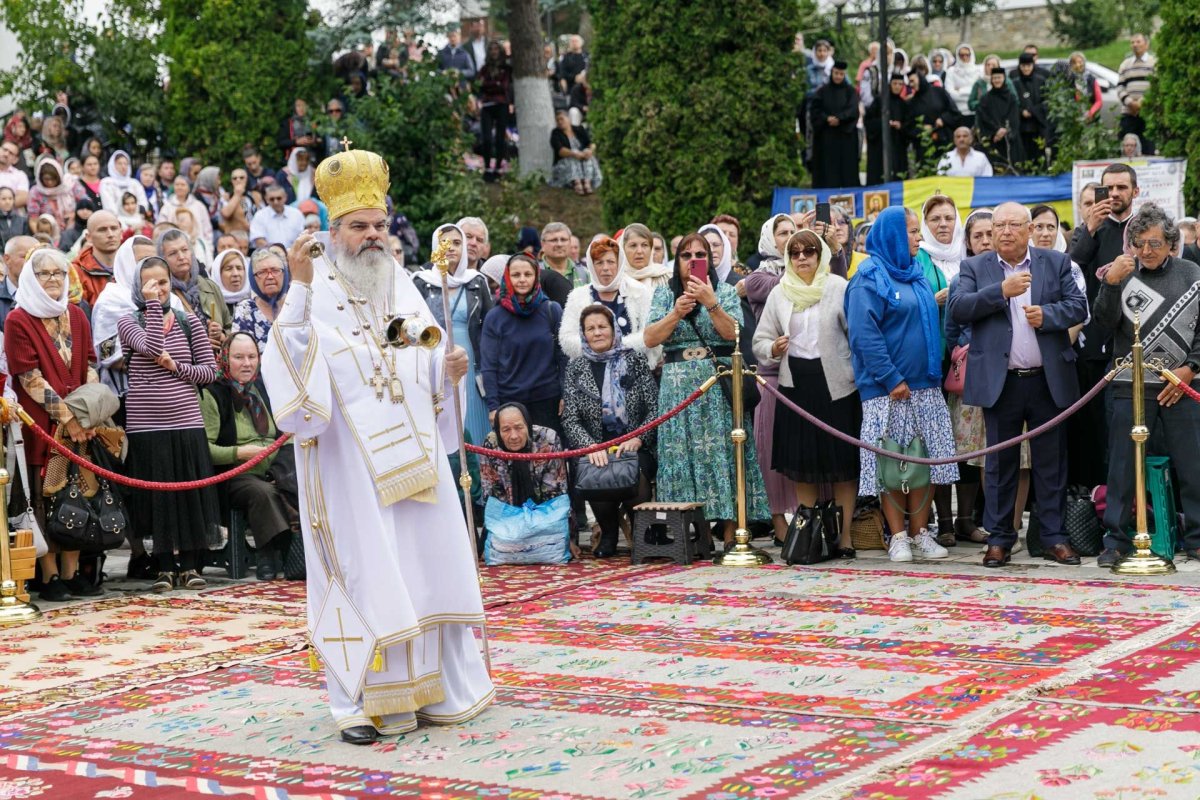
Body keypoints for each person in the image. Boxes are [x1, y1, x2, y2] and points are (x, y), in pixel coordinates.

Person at [261, 146, 493, 743]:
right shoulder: (313, 288)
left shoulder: (399, 281)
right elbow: (289, 360)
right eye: (359, 226)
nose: (372, 236)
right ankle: (357, 703)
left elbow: (418, 348)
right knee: (363, 570)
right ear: (333, 230)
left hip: (412, 457)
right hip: (347, 461)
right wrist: (298, 288)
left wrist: (444, 368)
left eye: (379, 225)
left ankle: (433, 690)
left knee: (420, 567)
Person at [949, 202, 1088, 568]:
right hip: (1002, 382)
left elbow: (1079, 307)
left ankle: (1054, 537)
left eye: (1013, 225)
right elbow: (958, 308)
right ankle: (999, 539)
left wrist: (1049, 315)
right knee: (999, 465)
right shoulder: (975, 267)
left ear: (1029, 229)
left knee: (1051, 463)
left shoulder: (1055, 262)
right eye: (999, 226)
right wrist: (1001, 291)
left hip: (1046, 380)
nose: (1005, 232)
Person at [846, 207, 959, 563]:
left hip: (925, 386)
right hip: (889, 390)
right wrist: (891, 377)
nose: (919, 238)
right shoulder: (868, 278)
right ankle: (897, 536)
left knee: (924, 462)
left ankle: (920, 533)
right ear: (893, 235)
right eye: (912, 231)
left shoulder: (917, 274)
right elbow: (864, 335)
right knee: (892, 465)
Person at [643, 233, 769, 548]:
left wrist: (711, 303)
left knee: (723, 453)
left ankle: (729, 532)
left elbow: (735, 334)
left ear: (709, 260)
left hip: (718, 385)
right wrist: (676, 312)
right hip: (677, 388)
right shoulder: (664, 294)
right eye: (686, 255)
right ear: (677, 261)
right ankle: (692, 534)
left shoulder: (724, 291)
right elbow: (650, 338)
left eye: (700, 255)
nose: (693, 260)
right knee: (680, 454)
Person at [1093, 203, 1200, 565]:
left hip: (1181, 385)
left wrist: (1190, 369)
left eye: (1155, 244)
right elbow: (1103, 323)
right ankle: (1116, 541)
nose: (1147, 251)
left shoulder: (1191, 273)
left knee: (1192, 463)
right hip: (1130, 383)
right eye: (1139, 243)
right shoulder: (1121, 272)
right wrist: (1110, 284)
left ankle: (1196, 537)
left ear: (1171, 244)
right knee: (1122, 465)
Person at [4, 248, 103, 601]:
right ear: (31, 278)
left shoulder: (76, 314)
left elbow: (90, 365)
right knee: (44, 499)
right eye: (44, 273)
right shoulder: (18, 319)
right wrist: (69, 418)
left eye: (58, 273)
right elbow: (29, 378)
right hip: (41, 426)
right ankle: (49, 576)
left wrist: (87, 414)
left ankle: (72, 572)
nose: (52, 279)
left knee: (77, 493)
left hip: (81, 423)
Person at [118, 255, 221, 591]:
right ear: (138, 286)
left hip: (186, 421)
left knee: (188, 495)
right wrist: (151, 305)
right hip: (147, 426)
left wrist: (177, 368)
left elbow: (209, 372)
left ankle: (190, 566)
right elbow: (152, 346)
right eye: (149, 283)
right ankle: (163, 566)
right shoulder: (128, 322)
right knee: (158, 498)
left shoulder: (189, 322)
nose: (157, 289)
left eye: (162, 282)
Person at [753, 229, 858, 556]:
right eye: (794, 252)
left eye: (809, 251)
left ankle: (844, 538)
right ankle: (810, 537)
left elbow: (857, 335)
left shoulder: (839, 287)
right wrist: (773, 347)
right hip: (795, 385)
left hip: (837, 386)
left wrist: (854, 370)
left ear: (820, 254)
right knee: (803, 465)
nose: (801, 258)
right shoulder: (779, 292)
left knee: (843, 464)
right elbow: (759, 342)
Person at [561, 305, 657, 557]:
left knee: (635, 474)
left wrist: (639, 438)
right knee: (597, 471)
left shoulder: (635, 360)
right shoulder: (575, 368)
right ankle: (609, 533)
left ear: (614, 329)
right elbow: (570, 418)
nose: (597, 333)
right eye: (590, 328)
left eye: (602, 326)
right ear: (583, 334)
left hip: (635, 445)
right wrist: (590, 446)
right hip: (597, 447)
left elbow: (655, 408)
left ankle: (643, 533)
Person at [201, 331, 296, 581]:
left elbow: (286, 432)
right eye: (239, 357)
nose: (247, 364)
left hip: (274, 468)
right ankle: (270, 554)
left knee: (298, 484)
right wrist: (241, 452)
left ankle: (303, 552)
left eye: (252, 357)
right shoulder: (212, 393)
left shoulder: (264, 388)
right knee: (262, 492)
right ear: (225, 359)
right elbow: (205, 449)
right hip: (233, 475)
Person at [1069, 163, 1139, 487]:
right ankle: (1098, 496)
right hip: (1096, 344)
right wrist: (1091, 228)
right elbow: (1072, 268)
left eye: (1121, 187)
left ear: (1135, 191)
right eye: (1108, 188)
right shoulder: (1088, 231)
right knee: (1097, 426)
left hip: (1137, 341)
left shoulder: (1144, 231)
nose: (1113, 194)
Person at [743, 213, 799, 543]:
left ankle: (808, 517)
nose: (789, 237)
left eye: (795, 232)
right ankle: (778, 520)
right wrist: (810, 261)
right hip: (772, 377)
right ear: (769, 239)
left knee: (803, 452)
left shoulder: (811, 272)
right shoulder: (757, 279)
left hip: (806, 372)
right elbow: (787, 286)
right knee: (772, 453)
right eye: (783, 233)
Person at [412, 223, 493, 447]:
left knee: (474, 423)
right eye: (444, 242)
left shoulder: (476, 281)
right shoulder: (421, 281)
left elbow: (490, 326)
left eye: (457, 243)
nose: (451, 248)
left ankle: (477, 469)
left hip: (472, 362)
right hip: (437, 361)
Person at [943, 209, 993, 545]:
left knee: (991, 452)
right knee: (962, 451)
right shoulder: (959, 279)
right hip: (969, 377)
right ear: (969, 242)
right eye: (978, 236)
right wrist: (965, 352)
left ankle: (975, 519)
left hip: (1004, 376)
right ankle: (954, 521)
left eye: (990, 234)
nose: (986, 241)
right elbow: (951, 330)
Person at [480, 254, 566, 432]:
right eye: (516, 275)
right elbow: (489, 365)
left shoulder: (552, 310)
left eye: (528, 274)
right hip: (510, 402)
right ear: (507, 277)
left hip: (548, 400)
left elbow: (563, 357)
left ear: (536, 276)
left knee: (550, 449)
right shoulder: (495, 317)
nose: (522, 279)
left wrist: (566, 395)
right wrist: (493, 406)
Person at [559, 235, 654, 362]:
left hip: (632, 367)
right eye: (599, 262)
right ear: (591, 266)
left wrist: (616, 346)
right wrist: (595, 348)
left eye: (610, 262)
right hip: (590, 369)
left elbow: (648, 333)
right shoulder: (577, 296)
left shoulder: (639, 292)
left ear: (619, 264)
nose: (605, 268)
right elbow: (566, 338)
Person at [159, 228, 229, 350]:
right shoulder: (162, 294)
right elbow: (161, 340)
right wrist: (199, 345)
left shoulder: (210, 286)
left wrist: (222, 336)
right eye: (173, 253)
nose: (181, 257)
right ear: (163, 259)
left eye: (185, 250)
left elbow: (230, 325)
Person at [811, 60, 861, 188]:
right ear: (832, 73)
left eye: (841, 74)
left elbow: (853, 110)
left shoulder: (850, 91)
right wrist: (826, 119)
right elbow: (815, 111)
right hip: (826, 138)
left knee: (847, 170)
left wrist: (840, 118)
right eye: (836, 73)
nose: (838, 76)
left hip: (845, 137)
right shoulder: (822, 92)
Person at [233, 248, 290, 352]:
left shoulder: (295, 304)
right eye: (262, 272)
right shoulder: (246, 309)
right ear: (253, 278)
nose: (270, 277)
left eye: (275, 270)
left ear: (284, 273)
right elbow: (241, 352)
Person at [478, 41, 513, 182]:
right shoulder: (484, 69)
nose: (494, 52)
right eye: (491, 49)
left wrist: (490, 85)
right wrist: (495, 84)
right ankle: (487, 167)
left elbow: (503, 86)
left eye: (496, 49)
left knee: (500, 138)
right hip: (487, 105)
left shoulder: (506, 68)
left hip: (502, 104)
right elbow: (480, 85)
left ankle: (498, 167)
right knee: (486, 138)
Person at [864, 72, 908, 185]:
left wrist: (900, 126)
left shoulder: (903, 105)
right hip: (880, 146)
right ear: (890, 84)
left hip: (897, 147)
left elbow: (908, 125)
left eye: (900, 84)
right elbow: (868, 121)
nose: (897, 87)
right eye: (895, 83)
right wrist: (884, 123)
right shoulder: (879, 101)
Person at [976, 67, 1025, 169]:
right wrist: (996, 130)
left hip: (1010, 140)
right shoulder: (985, 98)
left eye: (999, 78)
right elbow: (984, 117)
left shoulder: (1011, 97)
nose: (997, 80)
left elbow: (1014, 117)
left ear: (1004, 79)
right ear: (991, 80)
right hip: (994, 139)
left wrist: (1004, 131)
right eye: (994, 78)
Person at [72, 210, 122, 307]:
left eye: (114, 228)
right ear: (89, 237)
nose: (110, 234)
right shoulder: (76, 272)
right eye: (102, 230)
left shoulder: (133, 266)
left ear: (121, 233)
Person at [1117, 33, 1155, 155]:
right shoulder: (1125, 64)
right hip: (1129, 112)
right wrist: (1130, 103)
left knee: (1148, 147)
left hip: (1148, 112)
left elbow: (1157, 86)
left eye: (1138, 42)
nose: (1135, 45)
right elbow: (1120, 87)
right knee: (1128, 148)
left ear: (1146, 44)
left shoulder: (1154, 62)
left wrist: (1142, 102)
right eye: (1132, 42)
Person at [549, 109, 601, 195]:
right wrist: (575, 153)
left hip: (582, 161)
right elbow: (560, 151)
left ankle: (587, 183)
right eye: (557, 120)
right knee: (573, 157)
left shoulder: (579, 129)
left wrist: (590, 151)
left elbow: (591, 143)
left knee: (588, 156)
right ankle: (577, 183)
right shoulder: (555, 133)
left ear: (568, 119)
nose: (560, 122)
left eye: (561, 119)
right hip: (564, 164)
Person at [1012, 53, 1049, 167]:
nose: (1026, 69)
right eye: (1023, 66)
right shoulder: (1015, 83)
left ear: (1033, 65)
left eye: (1028, 66)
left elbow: (1047, 101)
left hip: (1038, 125)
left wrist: (1033, 111)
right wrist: (1021, 111)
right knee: (1023, 156)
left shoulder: (1041, 81)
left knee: (1039, 157)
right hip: (1021, 127)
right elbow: (1012, 103)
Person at [26, 157, 79, 235]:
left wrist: (75, 214)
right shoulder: (35, 192)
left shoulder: (70, 185)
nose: (50, 182)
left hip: (73, 231)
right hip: (48, 233)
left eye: (53, 179)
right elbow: (33, 220)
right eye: (46, 179)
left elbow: (85, 202)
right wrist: (43, 238)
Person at [540, 221, 588, 303]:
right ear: (543, 245)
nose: (559, 244)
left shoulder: (585, 273)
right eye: (554, 240)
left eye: (563, 239)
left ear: (570, 243)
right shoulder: (534, 273)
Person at [157, 175, 214, 244]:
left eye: (183, 185)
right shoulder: (167, 207)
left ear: (188, 187)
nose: (179, 187)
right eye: (177, 185)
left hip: (197, 243)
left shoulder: (199, 206)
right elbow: (161, 227)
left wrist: (208, 245)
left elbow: (207, 228)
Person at [619, 223, 672, 291]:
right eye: (633, 245)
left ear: (651, 249)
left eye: (644, 245)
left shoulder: (666, 277)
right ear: (623, 249)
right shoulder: (616, 281)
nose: (639, 251)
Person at [249, 185, 305, 249]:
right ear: (266, 199)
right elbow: (259, 240)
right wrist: (276, 251)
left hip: (294, 252)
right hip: (269, 253)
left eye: (279, 198)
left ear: (285, 197)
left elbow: (303, 236)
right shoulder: (260, 216)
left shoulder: (296, 214)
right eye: (272, 199)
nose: (275, 202)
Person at [99, 150, 148, 215]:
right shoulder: (106, 183)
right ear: (113, 165)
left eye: (125, 163)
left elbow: (143, 204)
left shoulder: (135, 183)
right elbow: (109, 207)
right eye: (119, 163)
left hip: (136, 218)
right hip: (115, 219)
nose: (123, 166)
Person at [945, 44, 981, 120]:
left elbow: (980, 95)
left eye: (967, 55)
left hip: (975, 112)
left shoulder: (979, 71)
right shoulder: (951, 71)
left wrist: (960, 90)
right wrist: (972, 93)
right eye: (961, 55)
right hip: (957, 112)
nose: (965, 57)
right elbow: (950, 94)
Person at [214, 248, 250, 315]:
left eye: (239, 268)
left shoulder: (256, 303)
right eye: (229, 269)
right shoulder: (211, 305)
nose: (235, 274)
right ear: (218, 274)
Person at [0, 141, 30, 209]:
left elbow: (23, 198)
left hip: (10, 213)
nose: (6, 154)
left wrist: (3, 208)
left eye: (11, 153)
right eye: (5, 150)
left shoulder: (20, 175)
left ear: (15, 160)